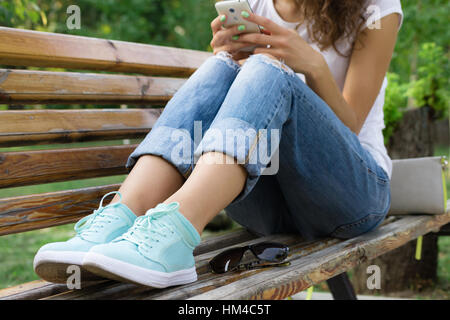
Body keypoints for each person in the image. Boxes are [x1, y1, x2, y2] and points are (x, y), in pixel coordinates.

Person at [33, 0, 403, 288]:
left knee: (265, 69)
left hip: (353, 197)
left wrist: (313, 66)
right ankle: (123, 217)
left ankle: (174, 236)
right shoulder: (255, 5)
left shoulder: (376, 8)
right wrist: (228, 60)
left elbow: (350, 126)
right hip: (269, 201)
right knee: (219, 68)